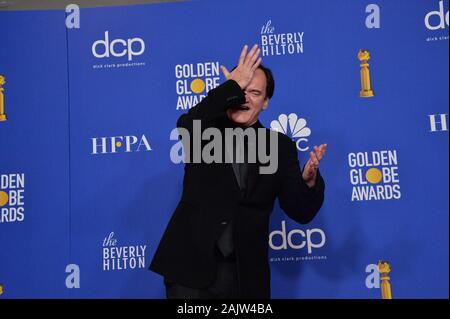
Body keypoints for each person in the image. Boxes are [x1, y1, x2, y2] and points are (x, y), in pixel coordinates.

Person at [149, 44, 327, 299]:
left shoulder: (280, 147)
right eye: (240, 90)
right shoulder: (203, 130)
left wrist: (308, 183)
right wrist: (230, 87)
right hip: (189, 271)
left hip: (246, 276)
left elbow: (299, 210)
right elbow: (185, 125)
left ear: (265, 102)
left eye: (254, 92)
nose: (244, 98)